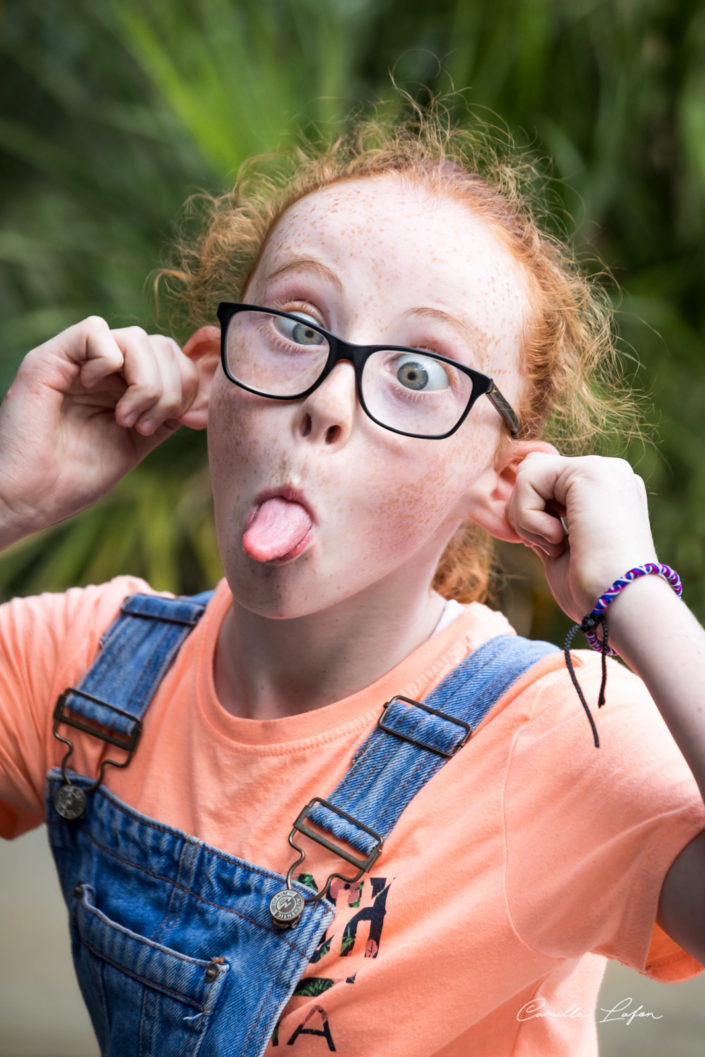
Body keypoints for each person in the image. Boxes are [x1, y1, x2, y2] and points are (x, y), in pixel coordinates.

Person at [0, 102, 704, 1057]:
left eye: (418, 372)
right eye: (294, 325)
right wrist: (10, 501)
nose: (328, 399)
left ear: (498, 479)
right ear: (211, 375)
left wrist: (636, 593)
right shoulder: (79, 667)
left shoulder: (554, 738)